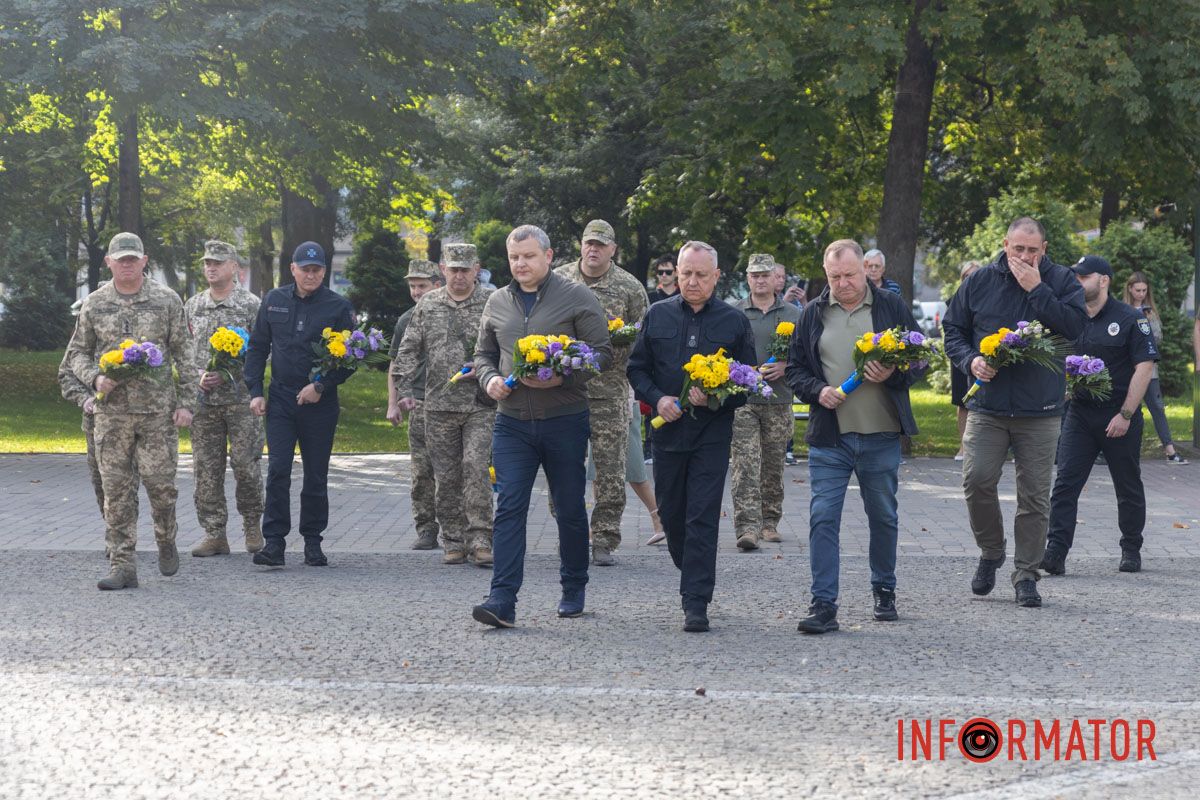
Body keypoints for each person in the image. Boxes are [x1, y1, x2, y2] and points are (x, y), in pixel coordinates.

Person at [470, 225, 612, 627]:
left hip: (564, 420)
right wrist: (489, 378)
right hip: (511, 423)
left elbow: (601, 354)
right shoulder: (497, 301)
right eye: (515, 257)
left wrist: (562, 377)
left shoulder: (576, 296)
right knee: (509, 506)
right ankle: (502, 599)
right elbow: (483, 354)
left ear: (548, 257)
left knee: (567, 507)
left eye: (529, 256)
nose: (521, 264)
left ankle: (573, 585)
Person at [942, 217, 1087, 608]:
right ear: (1006, 244)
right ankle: (991, 552)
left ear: (1044, 248)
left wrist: (1037, 290)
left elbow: (1075, 328)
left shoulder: (1061, 280)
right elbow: (952, 330)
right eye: (1018, 249)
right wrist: (970, 360)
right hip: (987, 406)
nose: (1025, 256)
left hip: (1039, 410)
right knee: (976, 482)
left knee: (1035, 497)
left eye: (1033, 250)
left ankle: (1026, 573)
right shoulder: (980, 281)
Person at [784, 240, 923, 633]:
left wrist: (894, 373)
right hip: (831, 437)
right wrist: (818, 391)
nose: (842, 284)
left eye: (849, 275)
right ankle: (823, 604)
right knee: (822, 516)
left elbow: (919, 358)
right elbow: (795, 369)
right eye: (834, 277)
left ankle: (884, 589)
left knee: (882, 516)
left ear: (866, 269)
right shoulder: (812, 313)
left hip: (880, 434)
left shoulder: (890, 307)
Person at [627, 241, 757, 632]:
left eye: (701, 275)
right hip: (668, 437)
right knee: (672, 516)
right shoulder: (657, 315)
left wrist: (717, 396)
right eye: (686, 274)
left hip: (710, 436)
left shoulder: (734, 322)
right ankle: (692, 570)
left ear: (717, 277)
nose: (692, 281)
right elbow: (637, 370)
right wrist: (658, 398)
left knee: (702, 515)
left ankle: (695, 600)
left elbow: (748, 382)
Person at [63, 232, 197, 590]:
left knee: (161, 487)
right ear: (108, 262)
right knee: (116, 492)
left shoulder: (166, 300)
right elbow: (76, 353)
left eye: (132, 258)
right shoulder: (94, 303)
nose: (126, 264)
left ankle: (166, 538)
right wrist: (94, 378)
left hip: (157, 414)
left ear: (144, 260)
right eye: (120, 258)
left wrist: (186, 404)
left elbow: (185, 355)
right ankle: (123, 564)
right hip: (112, 415)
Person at [1042, 256, 1158, 575]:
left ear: (1103, 280)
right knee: (1065, 483)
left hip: (1119, 414)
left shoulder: (1130, 318)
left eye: (1084, 277)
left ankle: (1131, 547)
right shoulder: (1071, 317)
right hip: (1080, 414)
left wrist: (1126, 413)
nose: (1077, 282)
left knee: (1127, 484)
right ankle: (1056, 551)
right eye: (1075, 277)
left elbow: (1144, 367)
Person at [244, 241, 355, 569]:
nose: (311, 274)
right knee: (278, 469)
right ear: (293, 269)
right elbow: (257, 346)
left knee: (316, 474)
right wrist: (255, 390)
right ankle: (274, 542)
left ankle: (312, 541)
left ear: (324, 270)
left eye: (317, 269)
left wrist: (321, 385)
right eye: (304, 269)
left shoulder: (338, 307)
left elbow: (351, 358)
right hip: (280, 399)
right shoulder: (274, 300)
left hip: (320, 403)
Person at [393, 244, 496, 566]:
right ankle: (452, 539)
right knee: (446, 477)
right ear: (442, 269)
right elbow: (409, 348)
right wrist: (404, 388)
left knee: (476, 469)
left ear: (476, 269)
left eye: (465, 269)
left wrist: (494, 372)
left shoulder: (492, 303)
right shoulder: (429, 304)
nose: (460, 275)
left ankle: (480, 538)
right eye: (454, 269)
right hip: (438, 405)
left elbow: (507, 346)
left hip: (481, 403)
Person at [555, 219, 649, 565]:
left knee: (611, 468)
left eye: (601, 244)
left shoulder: (629, 287)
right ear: (581, 246)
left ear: (613, 249)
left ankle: (605, 538)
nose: (593, 249)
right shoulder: (559, 280)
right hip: (563, 391)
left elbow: (643, 335)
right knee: (563, 467)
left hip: (609, 392)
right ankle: (571, 533)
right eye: (588, 243)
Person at [184, 240, 265, 557]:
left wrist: (234, 373)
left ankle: (252, 527)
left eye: (218, 262)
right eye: (207, 263)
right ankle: (214, 532)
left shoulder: (250, 305)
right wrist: (197, 374)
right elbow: (182, 351)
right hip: (204, 405)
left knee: (246, 466)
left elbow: (263, 353)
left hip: (241, 402)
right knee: (206, 469)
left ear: (234, 267)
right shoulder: (192, 306)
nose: (211, 267)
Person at [729, 254, 801, 551]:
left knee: (773, 465)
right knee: (744, 464)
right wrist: (742, 373)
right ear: (747, 278)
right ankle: (747, 527)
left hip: (779, 399)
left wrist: (787, 366)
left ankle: (769, 522)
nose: (760, 280)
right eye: (754, 275)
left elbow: (807, 354)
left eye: (765, 275)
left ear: (776, 278)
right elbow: (723, 355)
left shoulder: (794, 314)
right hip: (743, 400)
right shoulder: (733, 313)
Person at [386, 260, 442, 551]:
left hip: (450, 402)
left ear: (437, 284)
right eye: (412, 286)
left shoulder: (451, 313)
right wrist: (392, 403)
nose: (417, 291)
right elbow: (395, 364)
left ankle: (461, 528)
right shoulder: (406, 319)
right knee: (422, 472)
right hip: (418, 403)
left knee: (454, 471)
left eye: (422, 285)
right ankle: (426, 528)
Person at [57, 346, 138, 542]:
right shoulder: (86, 338)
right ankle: (114, 530)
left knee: (127, 482)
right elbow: (66, 374)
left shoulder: (136, 343)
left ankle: (122, 538)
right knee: (101, 482)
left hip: (133, 420)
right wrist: (84, 399)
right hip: (96, 423)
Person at [1124, 272, 1187, 464]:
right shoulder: (1121, 310)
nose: (1141, 294)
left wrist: (1149, 321)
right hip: (1127, 369)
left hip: (1149, 371)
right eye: (1138, 290)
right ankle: (1118, 451)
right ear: (1130, 289)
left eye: (1144, 290)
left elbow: (1158, 339)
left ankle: (1170, 451)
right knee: (1126, 409)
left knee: (1157, 408)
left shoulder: (1150, 311)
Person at [950, 261, 982, 461]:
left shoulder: (990, 299)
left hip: (983, 355)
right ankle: (963, 446)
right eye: (967, 276)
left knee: (980, 401)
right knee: (963, 401)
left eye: (975, 275)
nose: (970, 279)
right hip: (962, 356)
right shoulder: (955, 300)